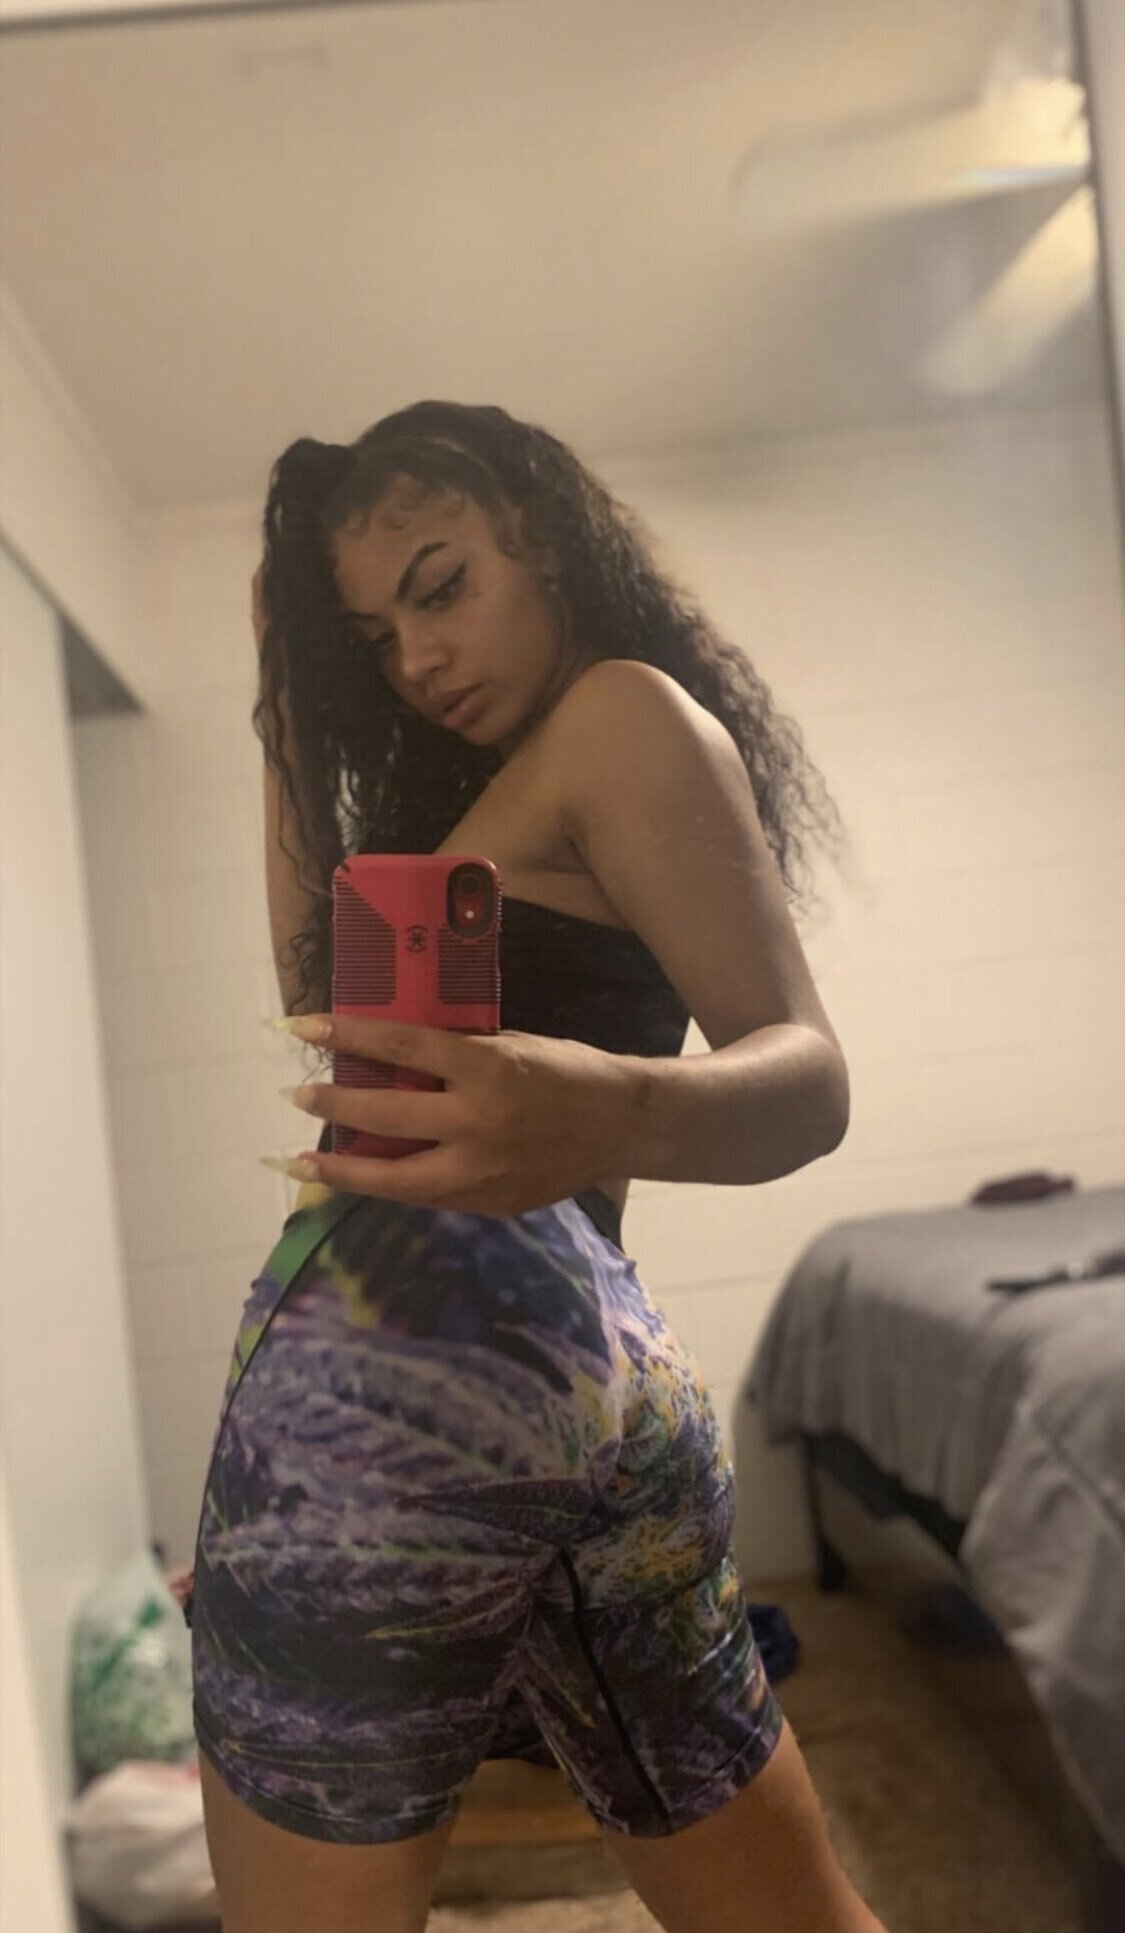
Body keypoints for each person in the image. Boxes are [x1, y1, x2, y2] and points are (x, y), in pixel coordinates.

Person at [188, 401, 887, 1933]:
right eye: (373, 637)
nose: (417, 657)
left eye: (439, 587)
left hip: (382, 1409)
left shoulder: (618, 713)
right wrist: (286, 697)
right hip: (591, 1390)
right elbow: (320, 1002)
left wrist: (603, 1107)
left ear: (547, 535)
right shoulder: (479, 805)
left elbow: (806, 1074)